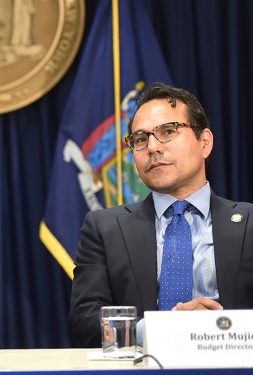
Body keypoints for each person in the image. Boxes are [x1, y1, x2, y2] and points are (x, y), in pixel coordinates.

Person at [68, 82, 253, 347]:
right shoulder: (104, 229)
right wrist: (159, 328)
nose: (153, 147)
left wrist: (219, 330)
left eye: (168, 131)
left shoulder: (249, 224)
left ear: (204, 142)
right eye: (141, 139)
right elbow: (83, 324)